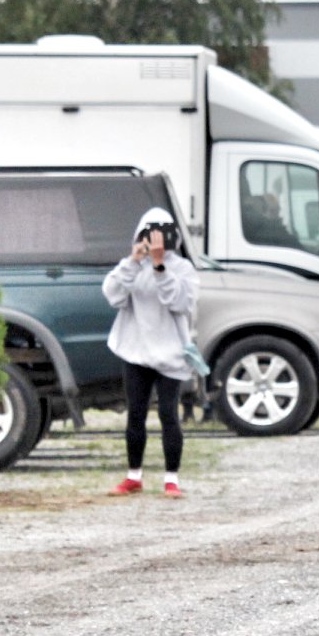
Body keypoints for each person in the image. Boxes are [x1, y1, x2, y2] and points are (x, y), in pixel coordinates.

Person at [102, 207, 200, 499]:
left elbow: (179, 302)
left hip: (170, 353)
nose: (157, 242)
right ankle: (134, 476)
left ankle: (172, 478)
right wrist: (136, 260)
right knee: (136, 413)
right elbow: (112, 294)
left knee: (169, 413)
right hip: (136, 349)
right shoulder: (132, 267)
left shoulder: (182, 268)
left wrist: (159, 267)